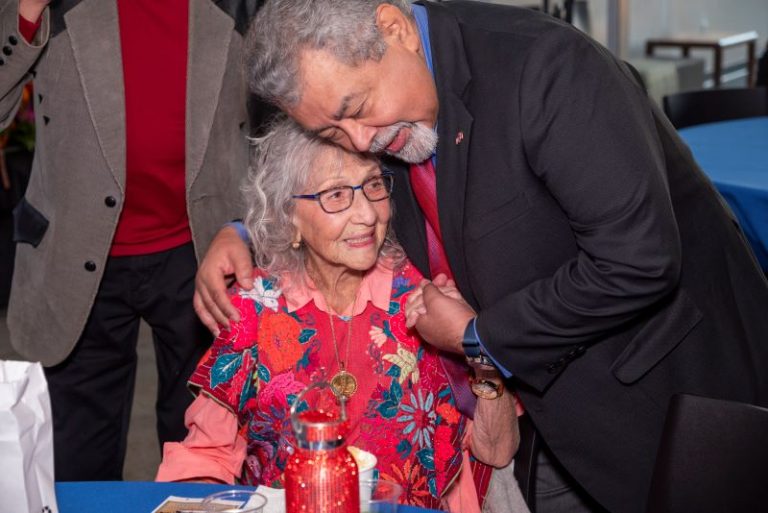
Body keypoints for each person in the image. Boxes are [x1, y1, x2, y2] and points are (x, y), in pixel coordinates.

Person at [194, 1, 768, 512]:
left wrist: (479, 337)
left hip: (670, 402)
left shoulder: (545, 68)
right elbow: (339, 182)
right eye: (332, 130)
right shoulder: (393, 114)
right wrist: (247, 229)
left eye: (357, 106)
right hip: (550, 417)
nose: (360, 140)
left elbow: (638, 260)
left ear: (396, 29)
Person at [156, 116, 522, 512]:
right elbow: (206, 455)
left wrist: (474, 343)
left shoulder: (427, 298)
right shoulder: (254, 308)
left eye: (374, 185)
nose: (367, 214)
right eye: (335, 194)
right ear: (289, 217)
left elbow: (497, 451)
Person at [0, 0, 267, 480]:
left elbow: (285, 108)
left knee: (204, 461)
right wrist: (26, 11)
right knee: (76, 469)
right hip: (75, 257)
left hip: (207, 253)